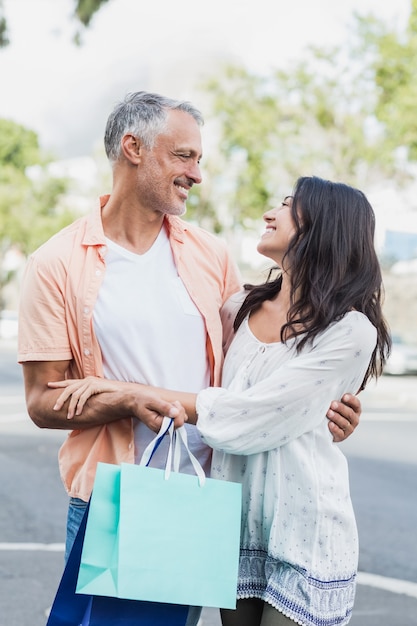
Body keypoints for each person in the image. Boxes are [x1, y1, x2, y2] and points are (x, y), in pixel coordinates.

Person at [18, 91, 361, 626]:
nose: (197, 174)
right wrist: (127, 402)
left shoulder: (209, 254)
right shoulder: (55, 264)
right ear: (133, 148)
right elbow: (42, 401)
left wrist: (321, 404)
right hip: (122, 495)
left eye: (198, 159)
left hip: (208, 495)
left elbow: (255, 361)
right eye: (184, 156)